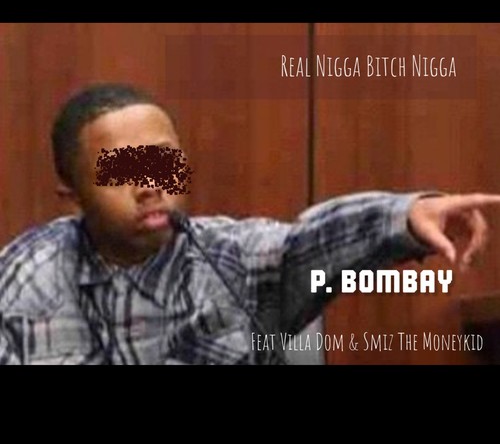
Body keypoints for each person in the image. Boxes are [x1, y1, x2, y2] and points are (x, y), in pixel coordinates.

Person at [0, 83, 498, 365]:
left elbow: (311, 243)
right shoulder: (27, 279)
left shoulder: (230, 258)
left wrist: (404, 216)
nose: (150, 184)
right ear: (73, 196)